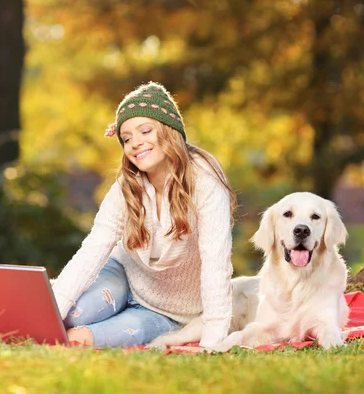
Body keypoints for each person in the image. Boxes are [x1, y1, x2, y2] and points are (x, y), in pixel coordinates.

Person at [51, 82, 236, 348]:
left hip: (168, 312)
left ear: (169, 131)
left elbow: (216, 261)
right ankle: (35, 299)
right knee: (72, 314)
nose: (135, 143)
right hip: (123, 276)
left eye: (145, 131)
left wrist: (213, 343)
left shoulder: (206, 182)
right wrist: (51, 310)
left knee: (76, 339)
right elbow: (93, 249)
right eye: (126, 138)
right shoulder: (127, 186)